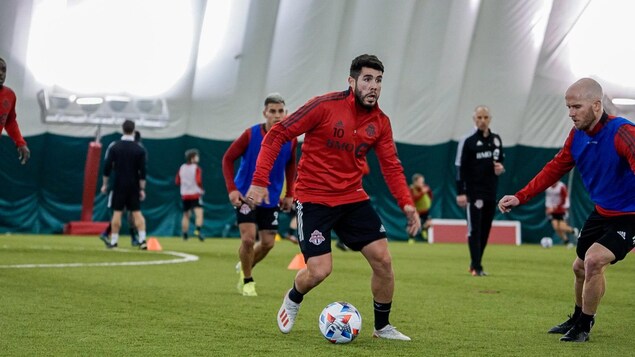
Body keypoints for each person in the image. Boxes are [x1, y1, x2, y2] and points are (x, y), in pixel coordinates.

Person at [245, 54, 421, 340]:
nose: (373, 86)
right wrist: (259, 182)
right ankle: (293, 297)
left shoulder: (381, 123)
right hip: (314, 198)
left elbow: (391, 167)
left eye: (378, 80)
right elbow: (277, 134)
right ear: (351, 81)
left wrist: (407, 203)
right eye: (367, 79)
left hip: (352, 197)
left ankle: (382, 327)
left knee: (383, 260)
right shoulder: (324, 106)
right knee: (319, 271)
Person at [498, 78, 635, 343]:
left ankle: (584, 326)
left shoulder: (623, 132)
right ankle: (576, 317)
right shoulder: (577, 135)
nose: (571, 113)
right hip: (602, 212)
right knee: (581, 267)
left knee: (595, 260)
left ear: (596, 106)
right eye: (568, 107)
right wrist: (520, 196)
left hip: (631, 215)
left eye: (576, 107)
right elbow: (555, 167)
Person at [222, 93, 297, 297]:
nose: (277, 115)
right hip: (246, 196)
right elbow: (227, 159)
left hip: (271, 198)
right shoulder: (250, 134)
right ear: (265, 113)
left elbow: (291, 165)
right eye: (272, 111)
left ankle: (245, 265)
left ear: (286, 113)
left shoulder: (291, 139)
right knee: (247, 240)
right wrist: (232, 189)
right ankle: (247, 280)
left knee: (268, 243)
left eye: (280, 111)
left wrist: (290, 193)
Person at [455, 105, 505, 276]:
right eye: (479, 118)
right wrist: (461, 192)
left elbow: (500, 163)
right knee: (474, 229)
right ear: (474, 119)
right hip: (474, 192)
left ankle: (475, 263)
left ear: (490, 119)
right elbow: (460, 168)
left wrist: (500, 168)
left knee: (485, 229)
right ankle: (477, 266)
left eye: (485, 117)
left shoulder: (496, 140)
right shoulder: (468, 141)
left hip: (491, 191)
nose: (482, 121)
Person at [100, 120, 148, 250]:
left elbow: (107, 167)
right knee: (137, 213)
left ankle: (114, 241)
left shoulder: (114, 146)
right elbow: (143, 171)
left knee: (117, 213)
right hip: (133, 185)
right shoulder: (139, 149)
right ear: (133, 130)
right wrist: (142, 188)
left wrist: (105, 184)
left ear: (122, 129)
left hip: (119, 184)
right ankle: (143, 240)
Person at [0, 57, 30, 165]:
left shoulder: (9, 95)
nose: (1, 73)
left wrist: (20, 143)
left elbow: (9, 121)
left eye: (3, 70)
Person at [176, 148, 205, 241]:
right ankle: (198, 230)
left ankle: (184, 234)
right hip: (195, 194)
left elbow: (177, 181)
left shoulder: (182, 167)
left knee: (186, 215)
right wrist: (201, 189)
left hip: (185, 195)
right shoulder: (196, 168)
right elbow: (198, 181)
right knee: (199, 214)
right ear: (193, 158)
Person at [545, 180, 578, 247]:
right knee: (556, 227)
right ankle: (567, 241)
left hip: (562, 209)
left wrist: (554, 208)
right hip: (553, 211)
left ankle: (573, 231)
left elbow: (563, 200)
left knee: (562, 227)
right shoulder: (548, 188)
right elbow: (548, 199)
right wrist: (548, 208)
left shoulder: (561, 187)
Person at [409, 173, 433, 244]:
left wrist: (428, 192)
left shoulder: (425, 187)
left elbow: (431, 196)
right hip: (416, 211)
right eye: (420, 182)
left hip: (425, 211)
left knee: (429, 223)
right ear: (415, 182)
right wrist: (422, 192)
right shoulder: (411, 189)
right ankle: (411, 239)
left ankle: (424, 230)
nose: (422, 183)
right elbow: (413, 199)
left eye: (422, 181)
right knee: (412, 225)